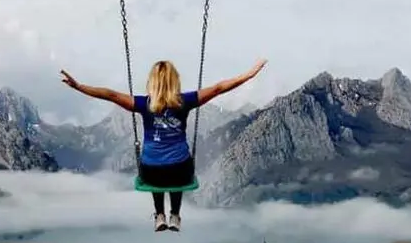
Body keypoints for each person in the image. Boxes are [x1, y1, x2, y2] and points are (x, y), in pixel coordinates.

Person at [60, 58, 267, 232]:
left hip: (152, 173)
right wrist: (248, 75)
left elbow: (111, 95)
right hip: (180, 170)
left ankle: (159, 215)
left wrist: (79, 87)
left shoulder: (143, 104)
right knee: (178, 169)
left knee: (153, 166)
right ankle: (175, 215)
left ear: (152, 82)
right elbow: (218, 89)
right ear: (174, 81)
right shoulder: (184, 101)